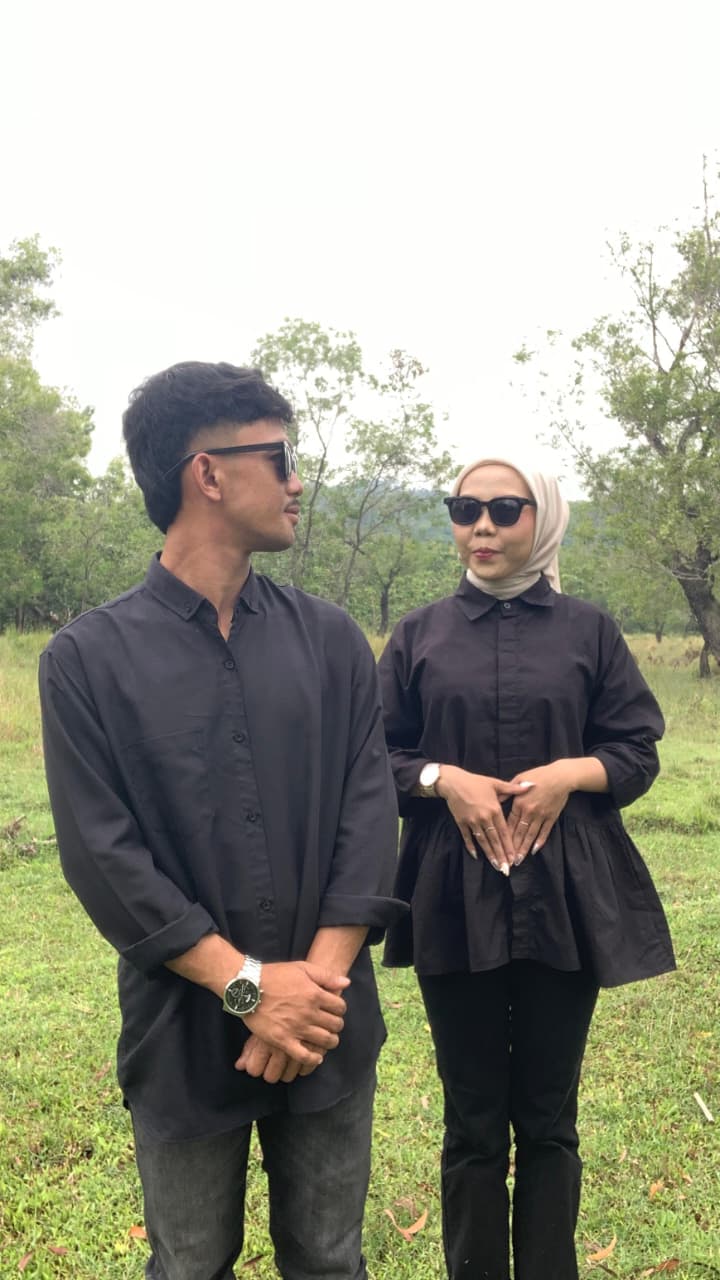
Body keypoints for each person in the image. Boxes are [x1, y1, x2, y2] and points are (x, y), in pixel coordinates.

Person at [39, 361, 405, 1280]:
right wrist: (249, 991)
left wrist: (308, 997)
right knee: (190, 1264)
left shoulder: (331, 640)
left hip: (325, 1022)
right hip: (182, 1028)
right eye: (280, 457)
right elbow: (103, 857)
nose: (297, 481)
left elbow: (369, 818)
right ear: (207, 472)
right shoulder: (87, 660)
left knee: (330, 1260)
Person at [378, 457, 675, 1280]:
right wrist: (442, 779)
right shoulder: (419, 635)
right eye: (464, 508)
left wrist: (571, 774)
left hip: (562, 897)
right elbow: (373, 756)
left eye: (505, 509)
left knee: (548, 1121)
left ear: (542, 518)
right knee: (472, 1122)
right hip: (452, 897)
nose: (481, 525)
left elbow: (637, 750)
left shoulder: (590, 631)